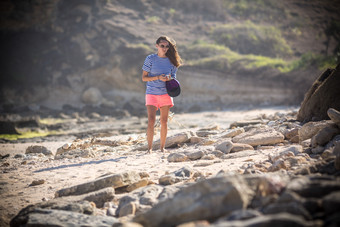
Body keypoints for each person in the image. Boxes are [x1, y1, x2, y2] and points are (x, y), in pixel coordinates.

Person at [142, 36, 182, 153]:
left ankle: (162, 148)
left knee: (164, 121)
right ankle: (149, 149)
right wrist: (158, 77)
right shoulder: (150, 59)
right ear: (157, 46)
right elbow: (144, 78)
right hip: (152, 93)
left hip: (165, 94)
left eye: (167, 46)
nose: (164, 48)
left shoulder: (172, 61)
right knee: (151, 120)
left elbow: (174, 78)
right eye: (162, 46)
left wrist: (169, 79)